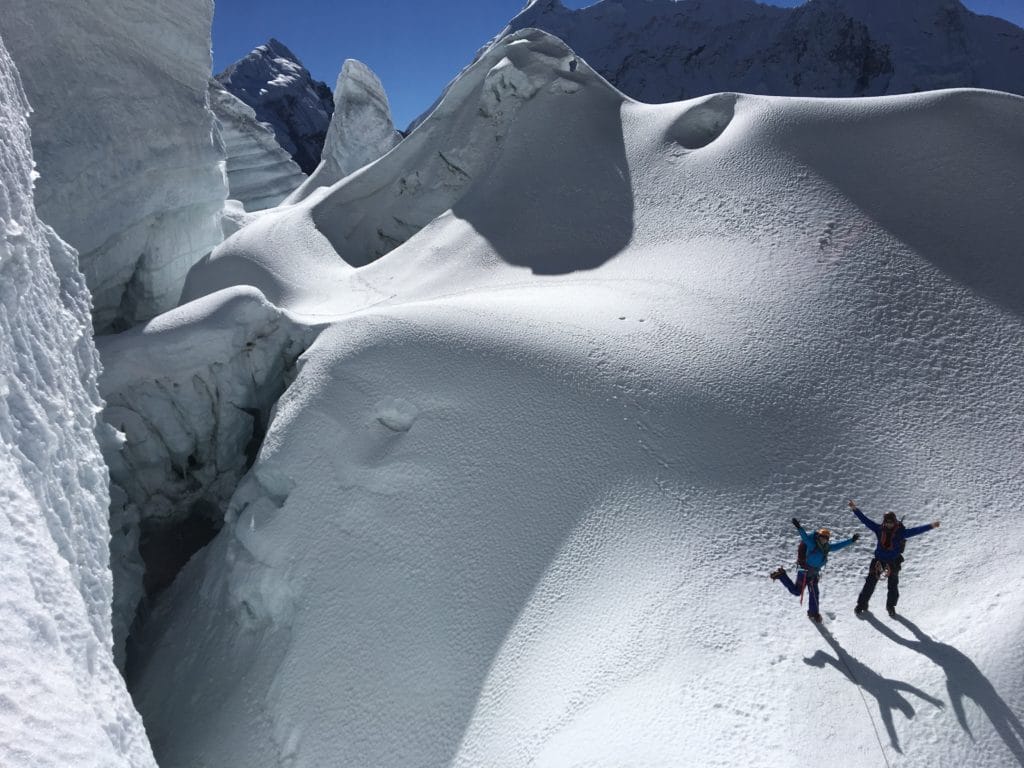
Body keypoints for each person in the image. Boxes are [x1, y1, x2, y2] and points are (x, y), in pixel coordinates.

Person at [849, 499, 940, 617]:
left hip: (893, 561)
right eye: (887, 522)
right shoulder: (879, 529)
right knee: (870, 583)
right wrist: (854, 509)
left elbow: (916, 530)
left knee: (893, 585)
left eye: (891, 522)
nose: (888, 524)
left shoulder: (901, 533)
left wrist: (931, 526)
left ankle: (890, 606)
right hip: (879, 560)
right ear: (884, 522)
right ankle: (862, 604)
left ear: (895, 521)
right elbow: (866, 521)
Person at [770, 517, 857, 623]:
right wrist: (799, 527)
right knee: (797, 592)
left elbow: (839, 545)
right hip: (804, 572)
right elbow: (805, 538)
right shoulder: (813, 545)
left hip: (814, 574)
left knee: (815, 594)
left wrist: (851, 540)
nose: (823, 539)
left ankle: (813, 613)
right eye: (822, 537)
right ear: (818, 537)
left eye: (826, 537)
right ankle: (782, 575)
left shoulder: (827, 548)